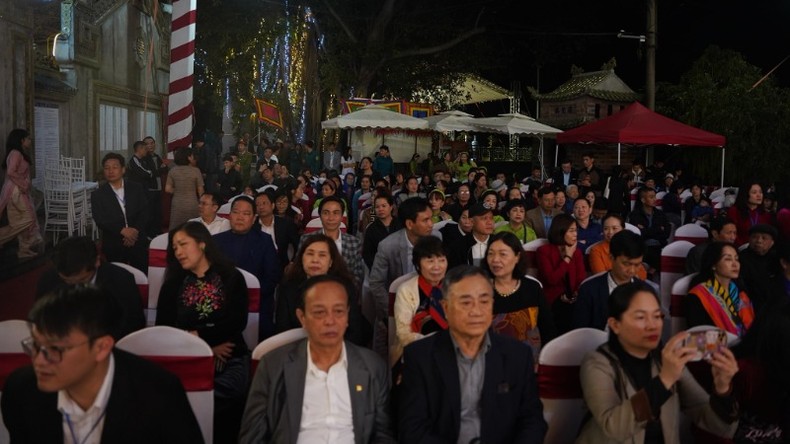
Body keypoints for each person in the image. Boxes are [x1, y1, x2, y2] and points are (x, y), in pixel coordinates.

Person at [1, 285, 203, 443]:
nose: (38, 360)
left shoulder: (157, 394)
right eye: (35, 345)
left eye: (55, 350)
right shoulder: (22, 390)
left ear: (102, 347)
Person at [397, 265, 547, 443]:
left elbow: (532, 421)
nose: (476, 311)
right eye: (466, 302)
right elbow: (412, 428)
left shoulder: (517, 355)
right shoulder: (420, 356)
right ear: (445, 308)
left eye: (484, 301)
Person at [239, 275, 396, 443]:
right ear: (302, 318)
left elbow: (383, 435)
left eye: (338, 311)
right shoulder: (273, 366)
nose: (330, 321)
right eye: (319, 312)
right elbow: (252, 437)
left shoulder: (372, 367)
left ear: (348, 316)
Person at [576, 282, 740, 444]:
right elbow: (614, 427)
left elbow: (721, 428)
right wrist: (665, 380)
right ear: (615, 325)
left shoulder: (665, 360)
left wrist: (722, 389)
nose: (653, 325)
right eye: (641, 317)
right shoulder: (597, 362)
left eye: (657, 316)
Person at [155, 221, 248, 441]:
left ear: (202, 243)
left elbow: (236, 322)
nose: (178, 251)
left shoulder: (231, 277)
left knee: (226, 393)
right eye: (174, 247)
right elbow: (165, 328)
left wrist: (199, 336)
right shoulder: (172, 284)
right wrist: (205, 346)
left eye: (183, 244)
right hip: (185, 357)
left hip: (229, 355)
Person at [35, 235, 145, 339]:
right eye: (67, 281)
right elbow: (41, 320)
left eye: (82, 280)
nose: (75, 287)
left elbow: (133, 325)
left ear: (97, 261)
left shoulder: (121, 280)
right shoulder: (49, 281)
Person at [274, 234, 370, 345]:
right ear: (301, 258)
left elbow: (354, 333)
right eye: (310, 254)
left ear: (330, 262)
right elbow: (283, 332)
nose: (315, 260)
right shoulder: (288, 287)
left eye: (322, 255)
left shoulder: (345, 287)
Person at [368, 197, 435, 359]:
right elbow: (376, 284)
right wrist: (392, 314)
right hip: (393, 310)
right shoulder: (388, 246)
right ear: (410, 224)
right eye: (425, 220)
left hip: (429, 310)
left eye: (431, 218)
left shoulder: (436, 238)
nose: (431, 224)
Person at [214, 196, 281, 340]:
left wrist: (250, 295)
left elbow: (272, 276)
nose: (240, 217)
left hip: (257, 301)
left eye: (246, 214)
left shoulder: (264, 241)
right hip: (222, 302)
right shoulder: (216, 241)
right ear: (230, 215)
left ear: (253, 217)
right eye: (236, 212)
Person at [482, 232, 556, 358]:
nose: (495, 259)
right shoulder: (481, 292)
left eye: (503, 254)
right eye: (491, 253)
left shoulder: (532, 288)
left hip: (531, 362)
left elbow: (548, 330)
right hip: (492, 363)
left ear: (517, 257)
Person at [573, 230, 653, 331]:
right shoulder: (589, 291)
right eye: (626, 264)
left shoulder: (647, 292)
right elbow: (580, 334)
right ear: (611, 258)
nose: (632, 271)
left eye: (637, 265)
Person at [392, 236, 449, 362]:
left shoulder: (454, 288)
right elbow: (403, 334)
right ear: (418, 264)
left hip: (451, 354)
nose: (437, 266)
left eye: (441, 260)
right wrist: (440, 344)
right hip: (415, 353)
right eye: (430, 261)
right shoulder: (406, 290)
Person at [91, 153, 150, 272]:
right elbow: (100, 219)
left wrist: (134, 231)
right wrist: (122, 230)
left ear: (123, 170)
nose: (110, 171)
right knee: (116, 278)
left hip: (137, 239)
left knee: (141, 276)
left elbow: (145, 212)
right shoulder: (98, 194)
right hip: (114, 242)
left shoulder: (136, 188)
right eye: (107, 168)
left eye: (115, 167)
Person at [684, 242, 755, 338]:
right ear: (713, 264)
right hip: (716, 349)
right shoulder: (698, 295)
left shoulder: (740, 292)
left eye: (737, 259)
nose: (735, 264)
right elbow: (699, 335)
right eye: (728, 259)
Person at [537, 213, 586, 334]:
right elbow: (552, 279)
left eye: (576, 230)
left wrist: (575, 293)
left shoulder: (577, 252)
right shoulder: (544, 251)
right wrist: (567, 257)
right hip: (552, 299)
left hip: (573, 299)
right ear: (560, 231)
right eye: (571, 231)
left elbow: (581, 278)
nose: (575, 234)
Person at [299, 195, 365, 286]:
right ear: (320, 215)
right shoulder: (306, 240)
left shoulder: (354, 243)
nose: (331, 218)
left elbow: (357, 276)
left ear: (342, 216)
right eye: (326, 213)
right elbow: (299, 272)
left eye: (336, 213)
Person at [0, 129, 43, 260]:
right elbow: (11, 172)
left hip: (18, 190)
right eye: (28, 138)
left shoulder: (18, 153)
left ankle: (23, 250)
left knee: (21, 222)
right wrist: (24, 184)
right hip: (16, 191)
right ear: (21, 140)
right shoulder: (16, 153)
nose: (30, 141)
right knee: (28, 219)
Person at [732, 224, 780, 314]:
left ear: (772, 242)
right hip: (748, 305)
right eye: (754, 237)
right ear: (749, 239)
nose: (759, 241)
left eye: (764, 238)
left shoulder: (777, 259)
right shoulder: (740, 259)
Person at [589, 214, 648, 280]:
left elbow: (642, 275)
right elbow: (601, 276)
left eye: (614, 228)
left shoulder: (631, 245)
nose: (610, 232)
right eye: (606, 229)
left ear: (623, 229)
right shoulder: (596, 250)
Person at [628, 186, 671, 274]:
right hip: (643, 246)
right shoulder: (635, 215)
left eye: (655, 196)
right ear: (643, 200)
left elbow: (666, 233)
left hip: (659, 245)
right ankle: (651, 272)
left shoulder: (660, 214)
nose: (654, 199)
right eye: (651, 197)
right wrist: (658, 229)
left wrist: (647, 230)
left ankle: (651, 272)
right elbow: (638, 234)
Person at [253, 190, 300, 268]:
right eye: (257, 204)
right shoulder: (252, 224)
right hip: (256, 266)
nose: (261, 207)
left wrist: (292, 263)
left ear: (273, 205)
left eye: (264, 203)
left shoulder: (286, 224)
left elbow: (299, 245)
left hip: (281, 265)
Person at [165, 147, 205, 229]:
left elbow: (167, 189)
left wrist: (178, 190)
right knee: (192, 228)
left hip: (177, 204)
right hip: (192, 204)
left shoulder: (173, 171)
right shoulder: (196, 171)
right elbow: (201, 190)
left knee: (176, 228)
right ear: (189, 157)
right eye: (192, 156)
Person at [446, 202, 495, 269]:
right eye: (484, 218)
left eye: (491, 218)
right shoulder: (458, 246)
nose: (489, 222)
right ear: (472, 222)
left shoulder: (499, 243)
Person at [362, 191, 402, 270]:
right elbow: (368, 254)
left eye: (384, 206)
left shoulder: (401, 225)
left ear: (391, 207)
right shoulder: (371, 229)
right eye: (377, 207)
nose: (380, 209)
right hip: (379, 270)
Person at [726, 181, 772, 247]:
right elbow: (731, 233)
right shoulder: (734, 211)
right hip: (740, 249)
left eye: (760, 192)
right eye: (754, 192)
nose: (759, 195)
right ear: (745, 194)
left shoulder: (765, 214)